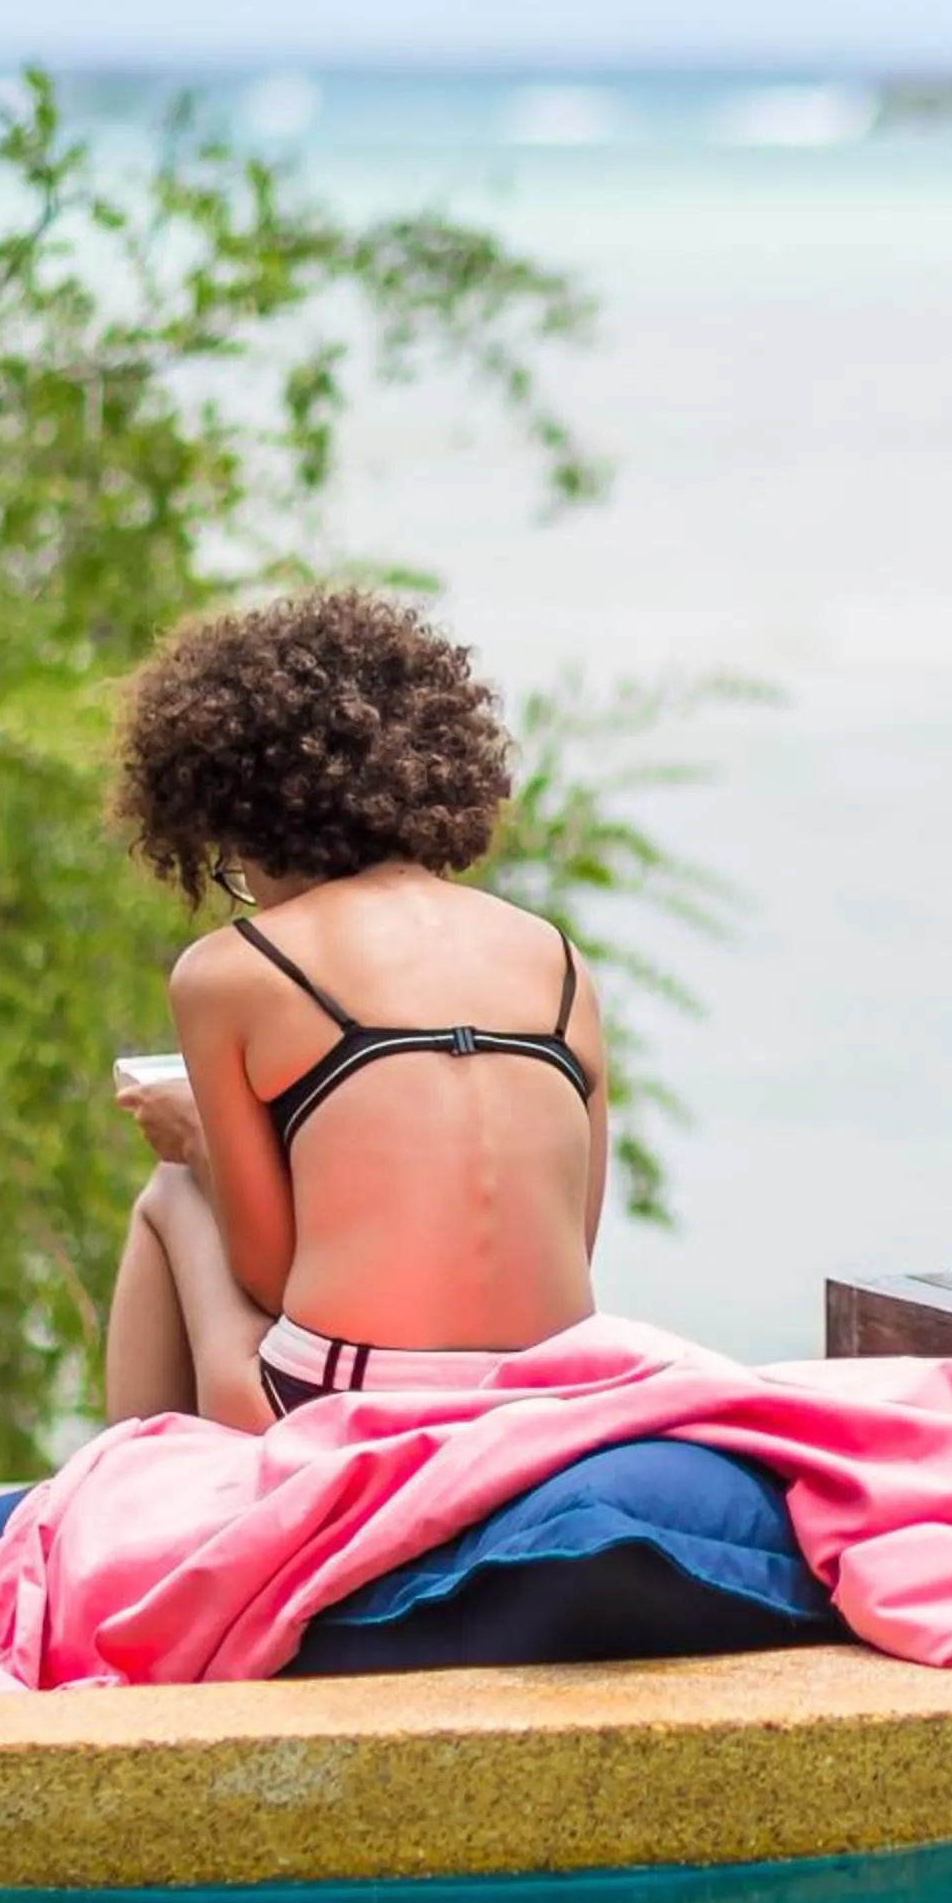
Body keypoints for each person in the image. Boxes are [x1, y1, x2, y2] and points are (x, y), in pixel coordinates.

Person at [100, 588, 608, 1429]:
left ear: (237, 809)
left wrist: (195, 1138)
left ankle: (128, 1489)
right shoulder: (558, 963)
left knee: (173, 1195)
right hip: (542, 1411)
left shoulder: (233, 970)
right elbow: (566, 1247)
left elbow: (269, 1276)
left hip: (332, 1412)